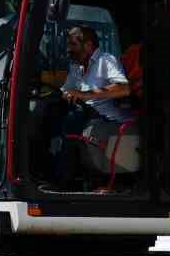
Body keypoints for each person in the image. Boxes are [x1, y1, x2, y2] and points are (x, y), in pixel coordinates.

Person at [49, 25, 134, 187]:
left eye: (73, 45)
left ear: (88, 45)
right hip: (84, 112)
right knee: (50, 112)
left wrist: (85, 95)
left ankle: (64, 182)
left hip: (107, 118)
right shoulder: (76, 66)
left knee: (72, 119)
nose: (68, 50)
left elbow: (124, 88)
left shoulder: (106, 60)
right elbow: (66, 90)